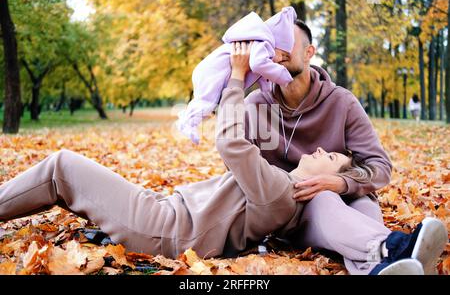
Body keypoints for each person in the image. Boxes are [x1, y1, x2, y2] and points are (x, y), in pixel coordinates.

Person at [0, 41, 447, 275]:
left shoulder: (284, 188)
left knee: (60, 166)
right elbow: (241, 144)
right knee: (62, 175)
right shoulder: (282, 175)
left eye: (327, 156)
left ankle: (389, 248)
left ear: (311, 53)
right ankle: (386, 258)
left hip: (163, 226)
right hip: (174, 215)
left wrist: (235, 77)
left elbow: (231, 144)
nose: (315, 151)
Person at [241, 21, 447, 274]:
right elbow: (238, 169)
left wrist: (341, 183)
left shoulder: (341, 102)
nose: (279, 51)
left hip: (350, 196)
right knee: (324, 199)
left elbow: (379, 166)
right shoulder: (257, 105)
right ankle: (397, 247)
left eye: (288, 42)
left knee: (364, 210)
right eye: (274, 44)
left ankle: (386, 265)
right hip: (292, 209)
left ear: (309, 53)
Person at [176, 7, 296, 144]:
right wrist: (283, 77)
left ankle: (187, 121)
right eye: (283, 54)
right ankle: (187, 123)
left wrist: (269, 91)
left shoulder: (261, 47)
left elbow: (262, 76)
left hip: (210, 70)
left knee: (206, 100)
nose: (281, 60)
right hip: (213, 71)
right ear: (276, 43)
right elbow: (258, 65)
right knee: (207, 101)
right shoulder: (264, 44)